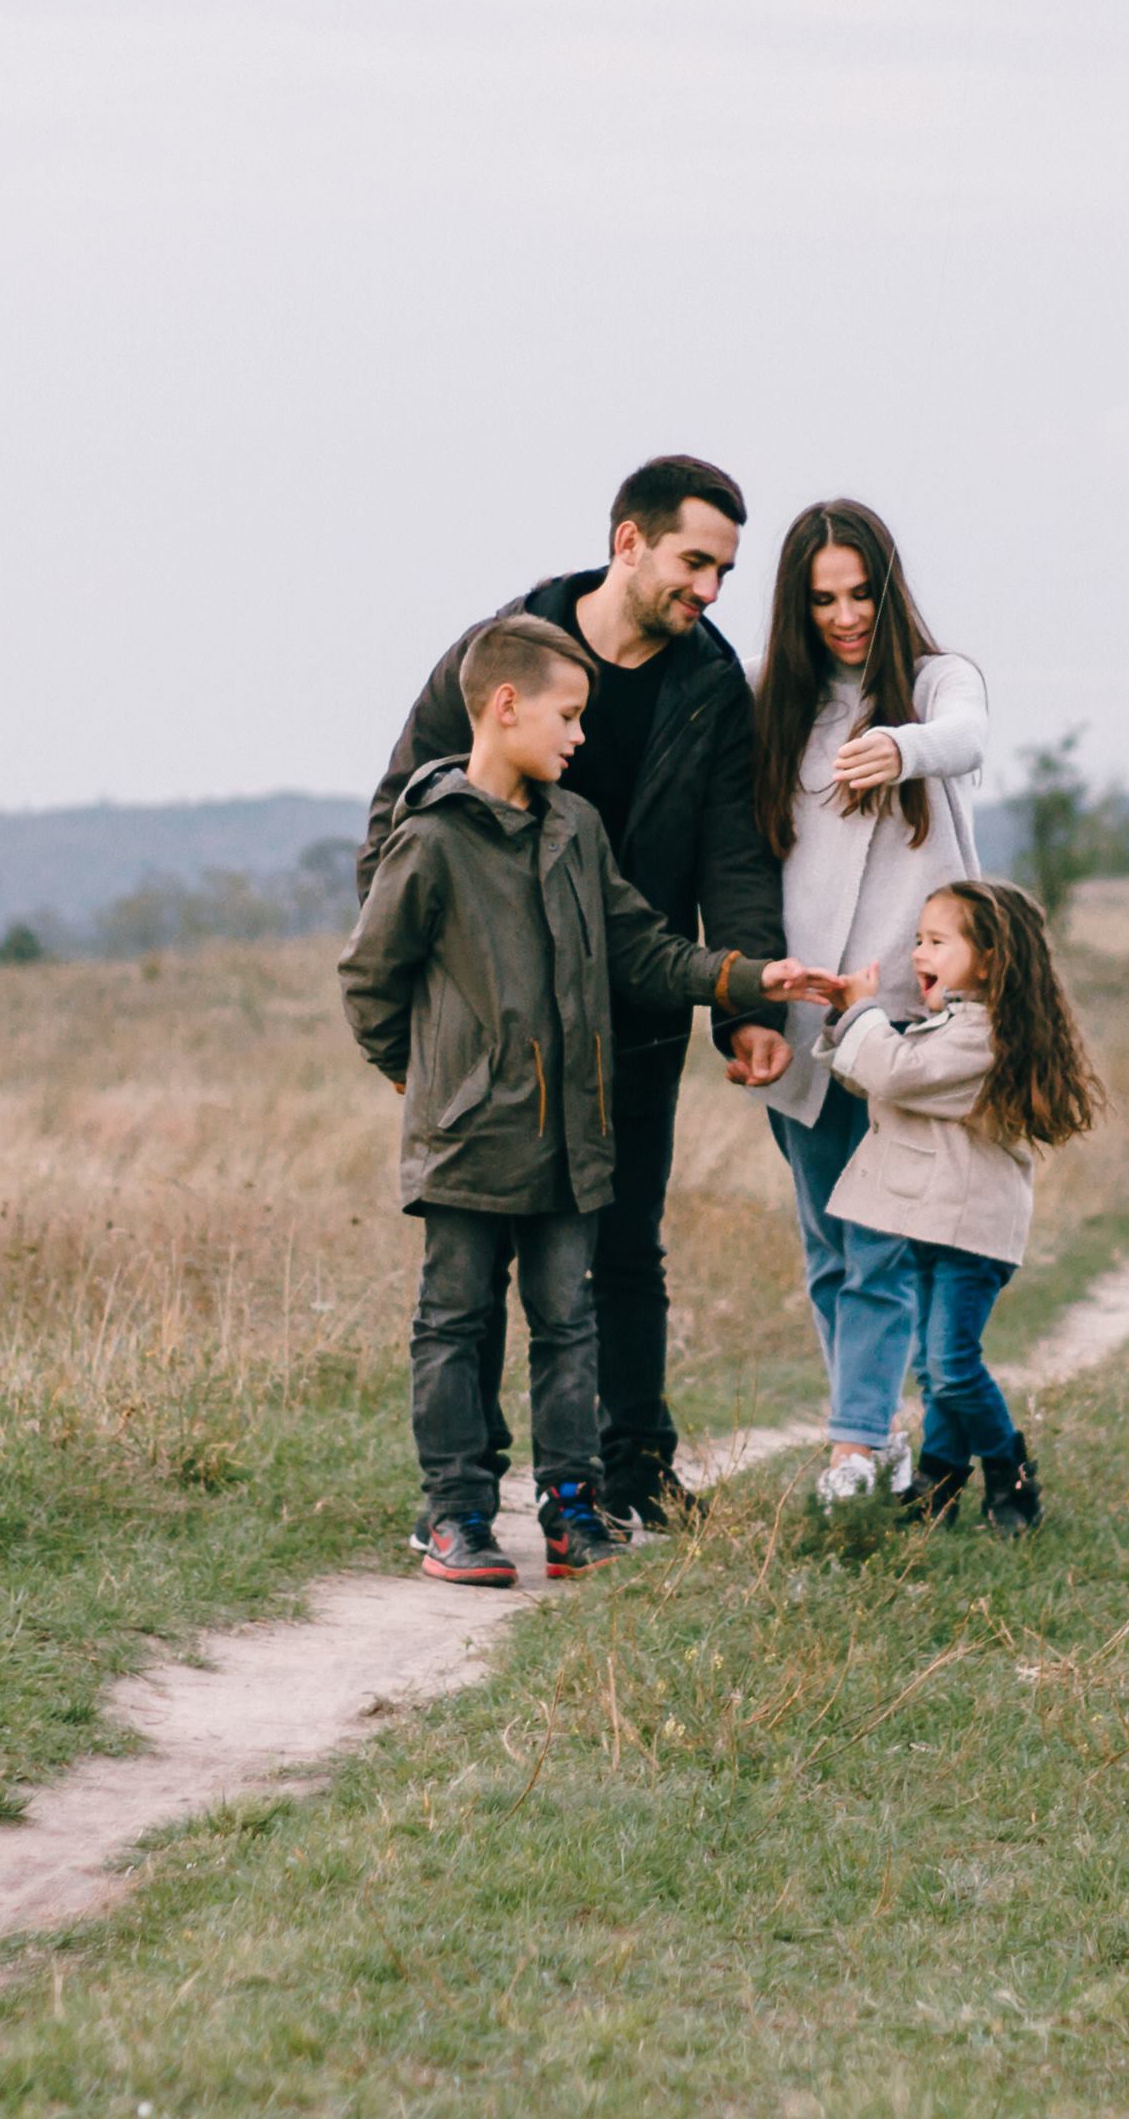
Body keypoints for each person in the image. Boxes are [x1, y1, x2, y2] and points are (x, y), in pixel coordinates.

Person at [358, 456, 791, 1531]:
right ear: (628, 541)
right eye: (695, 562)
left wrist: (747, 1007)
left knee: (621, 1251)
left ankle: (628, 1469)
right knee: (469, 1281)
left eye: (725, 572)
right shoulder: (504, 651)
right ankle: (462, 1495)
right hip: (488, 1030)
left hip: (631, 1014)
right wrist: (422, 1024)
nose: (710, 590)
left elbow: (735, 853)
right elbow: (399, 822)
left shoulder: (710, 687)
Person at [742, 500, 990, 1506]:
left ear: (887, 593)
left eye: (859, 595)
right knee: (826, 1247)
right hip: (803, 1019)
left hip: (905, 1027)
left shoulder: (935, 683)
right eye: (822, 600)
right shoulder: (771, 705)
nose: (844, 617)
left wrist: (901, 747)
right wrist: (748, 1002)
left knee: (879, 1241)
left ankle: (852, 1447)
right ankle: (880, 1435)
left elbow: (966, 736)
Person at [788, 878, 1106, 1534]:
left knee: (953, 1368)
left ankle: (1010, 1473)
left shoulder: (983, 1037)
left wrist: (866, 1012)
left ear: (988, 960)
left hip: (971, 1237)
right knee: (936, 1369)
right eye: (917, 940)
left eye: (936, 942)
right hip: (936, 1227)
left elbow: (896, 1073)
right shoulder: (951, 1026)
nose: (917, 954)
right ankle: (939, 1480)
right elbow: (879, 1080)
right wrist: (848, 1019)